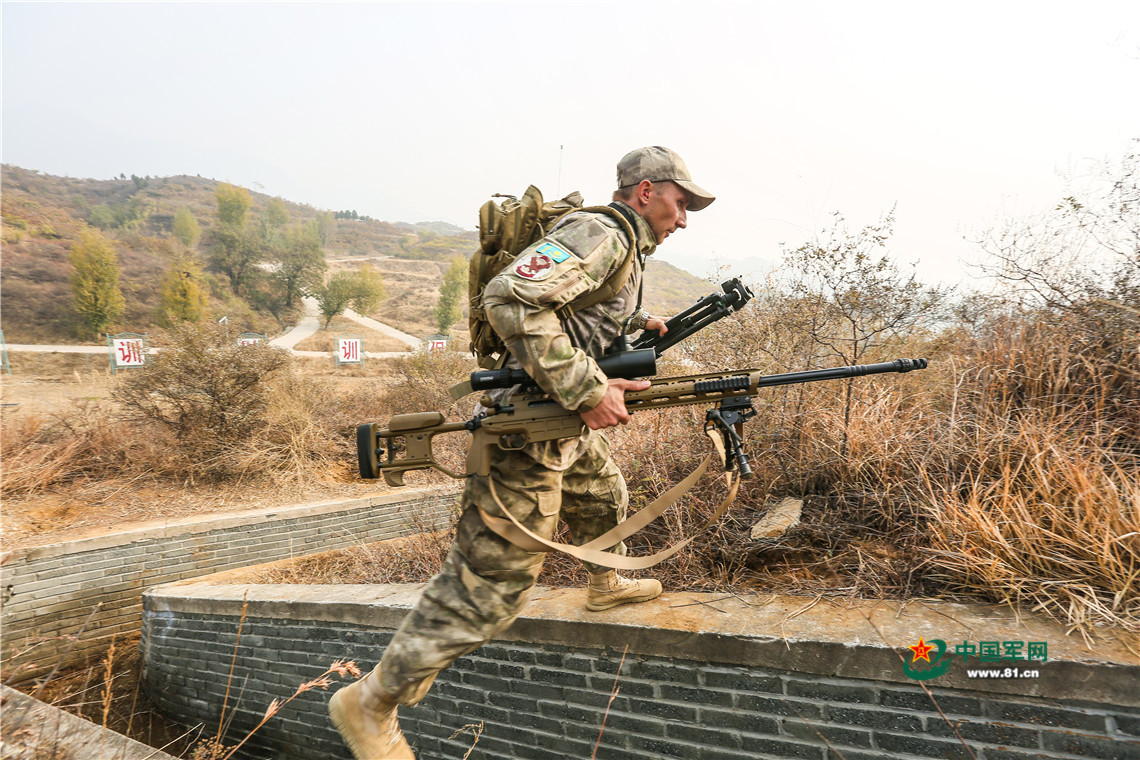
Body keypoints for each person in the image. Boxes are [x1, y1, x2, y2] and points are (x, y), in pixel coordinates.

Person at [329, 146, 715, 759]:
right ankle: (370, 702)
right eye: (681, 202)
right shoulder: (602, 233)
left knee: (601, 490)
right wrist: (588, 388)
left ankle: (605, 580)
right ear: (646, 192)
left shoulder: (622, 246)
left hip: (555, 418)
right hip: (526, 431)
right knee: (490, 588)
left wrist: (632, 322)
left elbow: (572, 308)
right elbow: (509, 298)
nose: (685, 218)